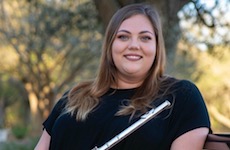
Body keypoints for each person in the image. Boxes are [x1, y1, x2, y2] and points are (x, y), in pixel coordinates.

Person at [35, 3, 211, 150]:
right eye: (123, 37)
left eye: (145, 38)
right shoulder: (74, 96)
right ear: (110, 45)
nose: (134, 45)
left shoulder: (181, 96)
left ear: (157, 47)